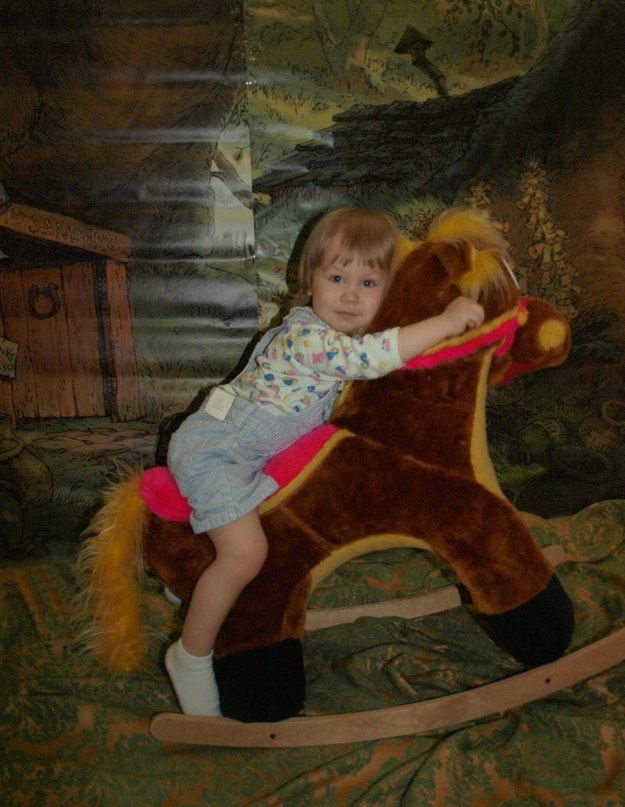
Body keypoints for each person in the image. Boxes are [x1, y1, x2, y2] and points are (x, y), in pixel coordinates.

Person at [165, 207, 485, 716]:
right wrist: (443, 323)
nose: (351, 295)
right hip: (216, 452)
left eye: (368, 283)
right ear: (309, 279)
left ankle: (190, 581)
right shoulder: (308, 339)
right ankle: (190, 656)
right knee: (246, 554)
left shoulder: (338, 338)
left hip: (252, 456)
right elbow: (370, 359)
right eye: (337, 278)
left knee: (269, 530)